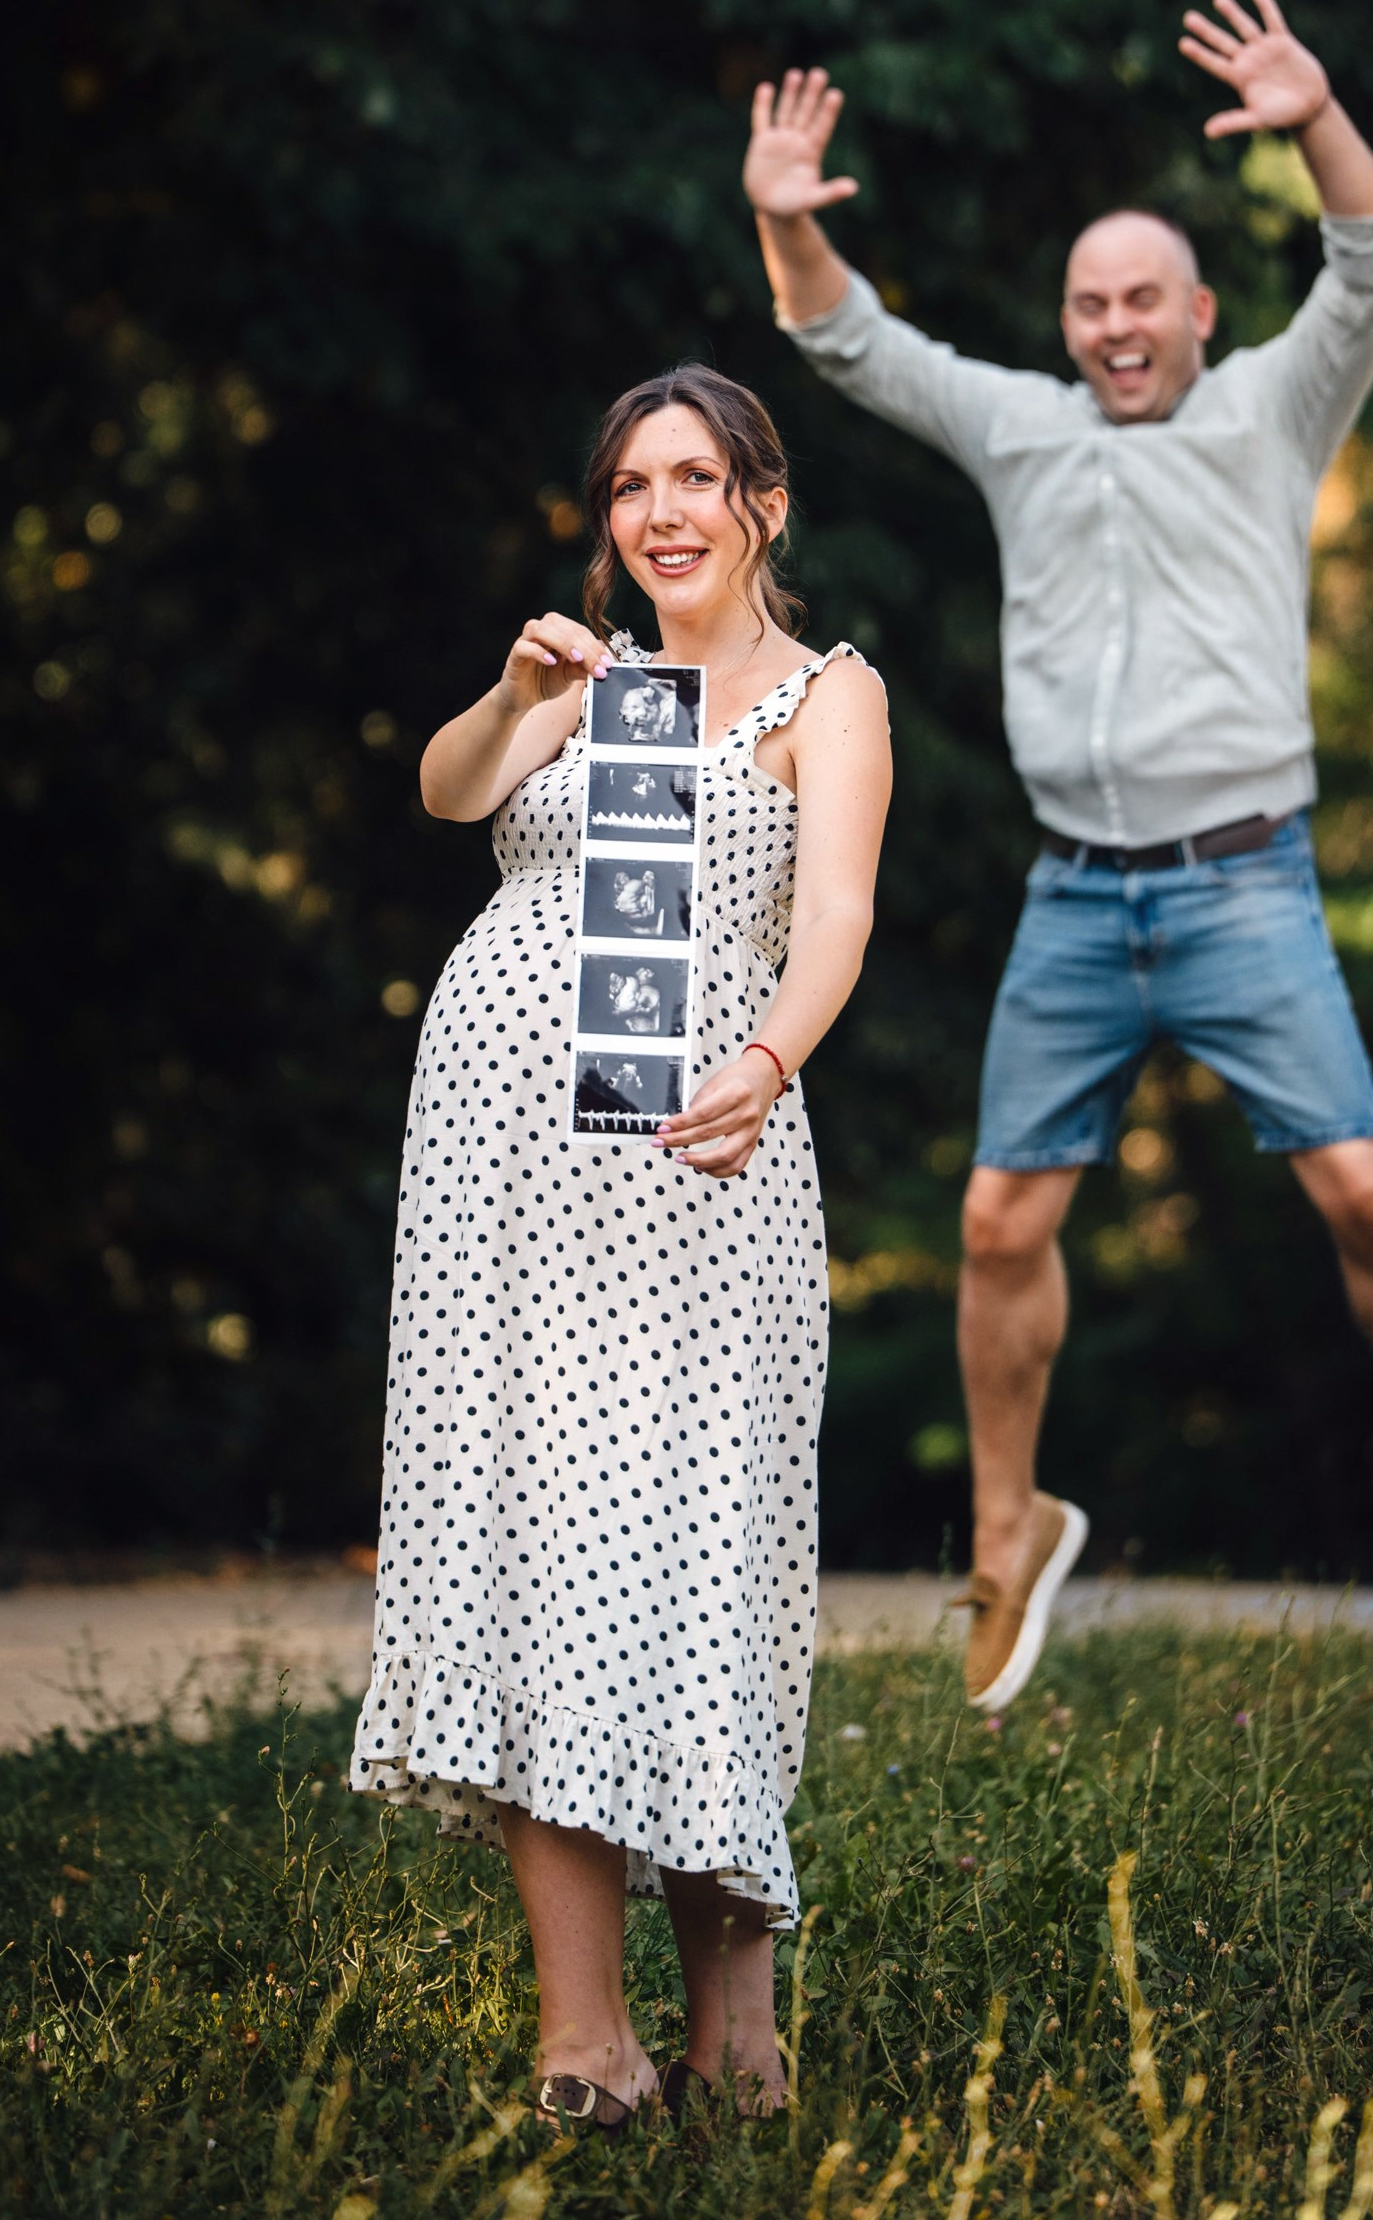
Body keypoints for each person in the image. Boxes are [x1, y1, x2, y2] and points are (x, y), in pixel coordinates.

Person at [743, 0, 1373, 1706]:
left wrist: (1316, 110)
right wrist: (785, 222)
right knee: (996, 1225)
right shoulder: (1022, 431)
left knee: (1368, 1199)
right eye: (1088, 304)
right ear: (1070, 324)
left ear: (1197, 311)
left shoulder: (1272, 412)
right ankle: (1006, 1531)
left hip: (1248, 879)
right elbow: (850, 344)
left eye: (1141, 301)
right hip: (1077, 897)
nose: (1114, 327)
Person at [349, 365, 891, 2131]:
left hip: (698, 1178)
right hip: (508, 1172)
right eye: (633, 486)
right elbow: (445, 799)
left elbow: (835, 918)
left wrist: (767, 1058)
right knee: (544, 1558)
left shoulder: (829, 696)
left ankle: (735, 2005)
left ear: (765, 505)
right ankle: (583, 2036)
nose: (663, 514)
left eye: (698, 479)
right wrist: (516, 694)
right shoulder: (591, 680)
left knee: (701, 1563)